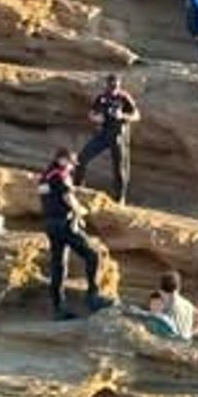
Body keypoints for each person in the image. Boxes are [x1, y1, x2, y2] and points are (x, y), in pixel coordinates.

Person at [39, 147, 113, 320]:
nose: (73, 167)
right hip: (63, 223)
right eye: (71, 163)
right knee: (92, 254)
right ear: (62, 160)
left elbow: (49, 199)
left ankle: (58, 308)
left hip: (50, 224)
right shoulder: (60, 174)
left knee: (59, 265)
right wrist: (79, 211)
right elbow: (67, 197)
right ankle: (92, 297)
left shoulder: (45, 176)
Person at [75, 74, 140, 204]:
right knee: (82, 157)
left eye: (115, 86)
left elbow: (136, 115)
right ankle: (78, 187)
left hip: (119, 135)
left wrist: (122, 116)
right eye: (111, 86)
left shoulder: (124, 97)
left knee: (120, 168)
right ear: (107, 85)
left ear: (119, 85)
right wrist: (97, 118)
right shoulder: (102, 98)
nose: (113, 88)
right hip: (104, 133)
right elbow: (91, 113)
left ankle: (120, 198)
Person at [158, 270, 197, 340]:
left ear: (161, 290)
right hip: (185, 342)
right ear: (179, 287)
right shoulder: (188, 304)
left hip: (171, 345)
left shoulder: (165, 306)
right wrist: (189, 333)